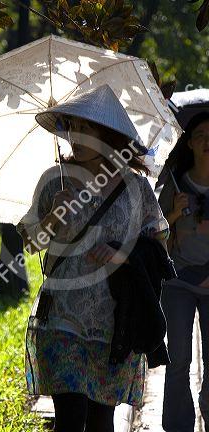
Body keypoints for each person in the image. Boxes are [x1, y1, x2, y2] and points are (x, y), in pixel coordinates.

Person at [17, 85, 170, 432]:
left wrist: (122, 256)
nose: (77, 136)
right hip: (61, 320)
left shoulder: (137, 189)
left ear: (109, 135)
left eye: (87, 128)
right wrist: (51, 218)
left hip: (115, 324)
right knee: (70, 419)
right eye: (73, 127)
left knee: (101, 421)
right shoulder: (53, 182)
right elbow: (31, 244)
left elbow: (159, 246)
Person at [159, 112, 209, 432]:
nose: (208, 141)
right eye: (201, 135)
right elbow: (155, 239)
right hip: (178, 283)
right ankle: (179, 426)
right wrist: (173, 215)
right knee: (178, 360)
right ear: (189, 143)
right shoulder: (175, 185)